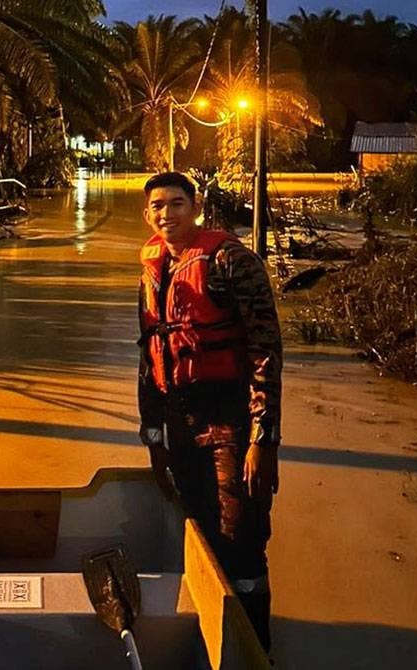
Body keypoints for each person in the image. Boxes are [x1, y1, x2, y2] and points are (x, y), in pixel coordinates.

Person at [136, 172, 281, 652]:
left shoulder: (231, 261)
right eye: (157, 206)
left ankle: (254, 647)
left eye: (176, 204)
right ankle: (209, 637)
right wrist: (153, 437)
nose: (166, 214)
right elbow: (149, 354)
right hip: (178, 420)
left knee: (241, 535)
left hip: (230, 419)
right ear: (147, 214)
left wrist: (264, 439)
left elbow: (265, 351)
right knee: (197, 527)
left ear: (195, 208)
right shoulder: (152, 265)